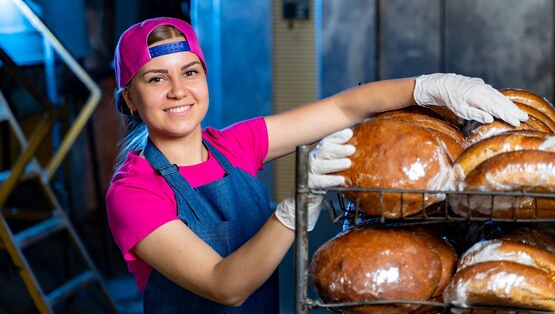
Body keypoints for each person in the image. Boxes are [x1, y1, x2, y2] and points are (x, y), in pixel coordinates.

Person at [105, 16, 528, 313]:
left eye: (190, 72)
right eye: (156, 78)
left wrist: (431, 87)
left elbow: (347, 106)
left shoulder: (232, 145)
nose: (179, 91)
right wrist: (293, 210)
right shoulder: (134, 191)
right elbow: (225, 287)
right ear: (130, 97)